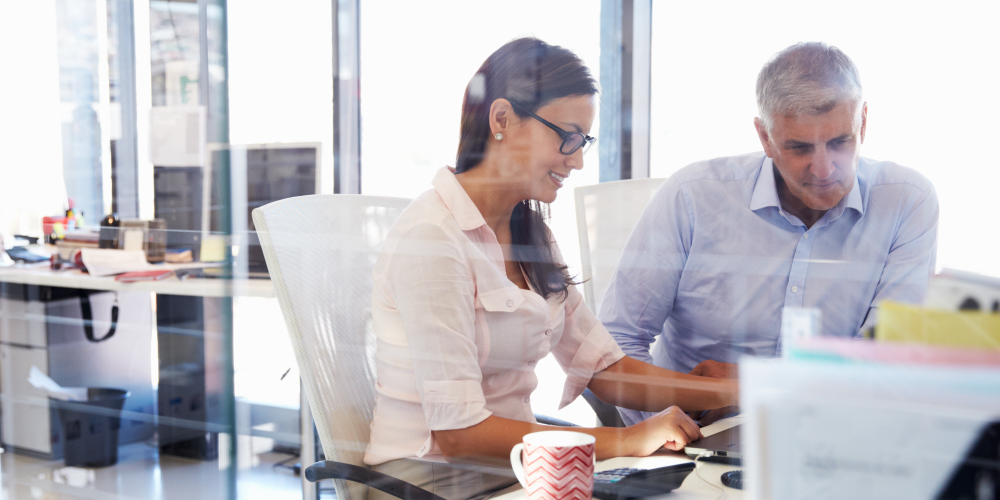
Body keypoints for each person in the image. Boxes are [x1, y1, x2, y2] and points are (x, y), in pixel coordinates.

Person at [362, 38, 738, 500]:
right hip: (429, 475)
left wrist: (730, 395)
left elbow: (603, 367)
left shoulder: (530, 234)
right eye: (568, 136)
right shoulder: (433, 238)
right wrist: (623, 441)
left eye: (584, 141)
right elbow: (458, 434)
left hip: (507, 465)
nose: (577, 159)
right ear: (502, 119)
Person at [599, 42, 938, 426]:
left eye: (840, 142)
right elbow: (616, 343)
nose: (824, 169)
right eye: (799, 147)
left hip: (826, 431)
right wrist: (661, 438)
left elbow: (885, 363)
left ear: (862, 123)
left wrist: (757, 383)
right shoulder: (692, 195)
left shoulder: (907, 200)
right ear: (765, 137)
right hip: (697, 437)